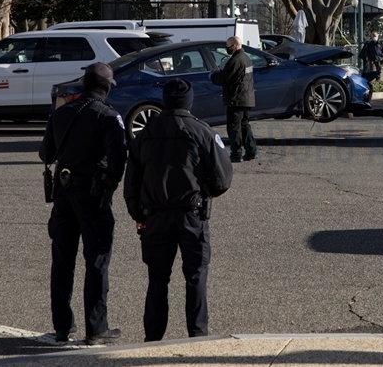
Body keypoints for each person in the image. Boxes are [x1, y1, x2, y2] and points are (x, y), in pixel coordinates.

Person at [124, 79, 233, 340]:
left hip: (155, 216)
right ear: (189, 101)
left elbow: (131, 183)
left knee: (157, 280)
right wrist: (203, 191)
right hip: (191, 214)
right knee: (195, 277)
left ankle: (152, 338)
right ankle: (197, 335)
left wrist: (139, 215)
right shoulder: (202, 131)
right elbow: (223, 180)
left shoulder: (145, 134)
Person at [39, 62, 127, 346]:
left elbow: (45, 153)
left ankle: (63, 328)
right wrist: (108, 185)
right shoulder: (108, 116)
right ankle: (96, 328)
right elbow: (119, 159)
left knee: (62, 261)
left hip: (64, 194)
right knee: (97, 260)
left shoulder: (62, 111)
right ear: (106, 87)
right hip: (92, 195)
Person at [210, 36, 257, 163]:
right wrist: (221, 72)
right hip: (247, 98)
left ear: (235, 46)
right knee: (244, 125)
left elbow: (224, 79)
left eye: (228, 46)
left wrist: (213, 76)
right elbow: (236, 76)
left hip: (236, 99)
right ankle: (251, 151)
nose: (227, 49)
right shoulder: (247, 58)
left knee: (234, 127)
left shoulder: (235, 60)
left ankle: (236, 154)